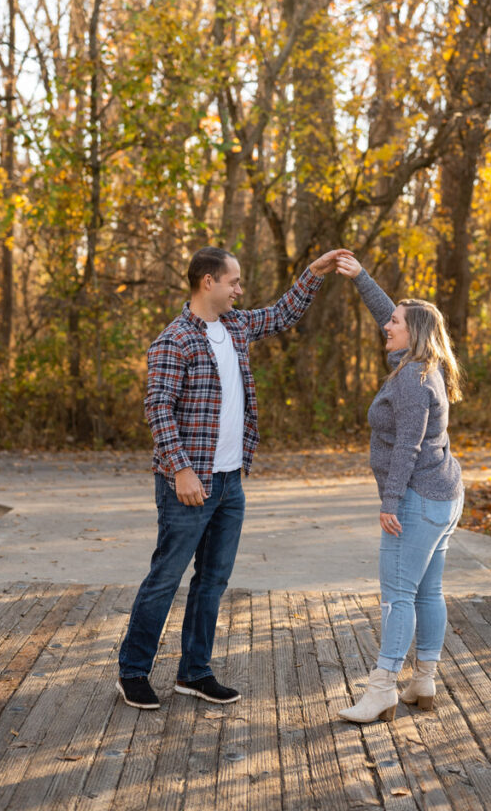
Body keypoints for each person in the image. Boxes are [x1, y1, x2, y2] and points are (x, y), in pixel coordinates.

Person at [117, 245, 347, 710]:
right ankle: (133, 671)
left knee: (213, 580)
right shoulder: (174, 340)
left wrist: (315, 272)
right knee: (165, 577)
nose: (240, 290)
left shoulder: (237, 326)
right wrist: (180, 469)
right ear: (209, 282)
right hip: (188, 483)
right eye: (234, 282)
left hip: (230, 481)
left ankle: (195, 672)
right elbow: (157, 408)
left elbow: (283, 314)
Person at [335, 253, 464, 724]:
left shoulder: (410, 379)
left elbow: (407, 446)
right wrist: (362, 279)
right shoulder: (424, 363)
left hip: (418, 498)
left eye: (394, 323)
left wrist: (390, 503)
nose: (385, 326)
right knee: (428, 592)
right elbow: (395, 316)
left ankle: (382, 688)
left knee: (397, 595)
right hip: (444, 494)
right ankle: (423, 680)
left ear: (414, 334)